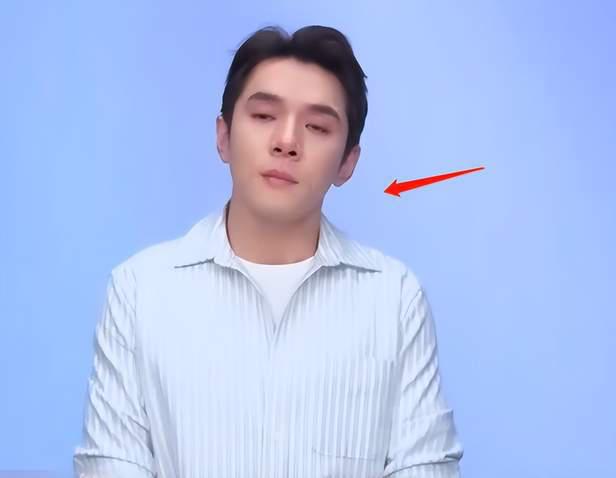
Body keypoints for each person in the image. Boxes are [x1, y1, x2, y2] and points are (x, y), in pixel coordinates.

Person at [73, 24, 464, 478]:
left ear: (347, 162)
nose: (287, 141)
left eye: (317, 126)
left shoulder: (394, 299)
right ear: (223, 136)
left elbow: (424, 467)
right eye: (263, 116)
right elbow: (111, 464)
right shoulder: (140, 290)